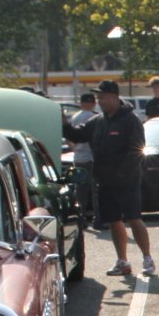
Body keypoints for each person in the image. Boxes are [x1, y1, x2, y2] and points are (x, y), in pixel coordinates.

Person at [62, 80, 156, 279]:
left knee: (134, 218)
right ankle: (122, 261)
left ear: (114, 97)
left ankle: (147, 258)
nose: (100, 101)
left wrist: (121, 174)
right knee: (114, 221)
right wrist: (63, 124)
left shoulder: (131, 120)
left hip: (128, 180)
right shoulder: (97, 121)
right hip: (105, 182)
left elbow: (137, 150)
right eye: (98, 98)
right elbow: (78, 135)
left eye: (103, 97)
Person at [70, 91, 101, 241]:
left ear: (81, 103)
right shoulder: (96, 117)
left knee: (80, 191)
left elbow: (70, 138)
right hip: (92, 157)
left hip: (78, 157)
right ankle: (98, 219)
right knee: (96, 189)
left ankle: (80, 219)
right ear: (94, 103)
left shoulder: (75, 117)